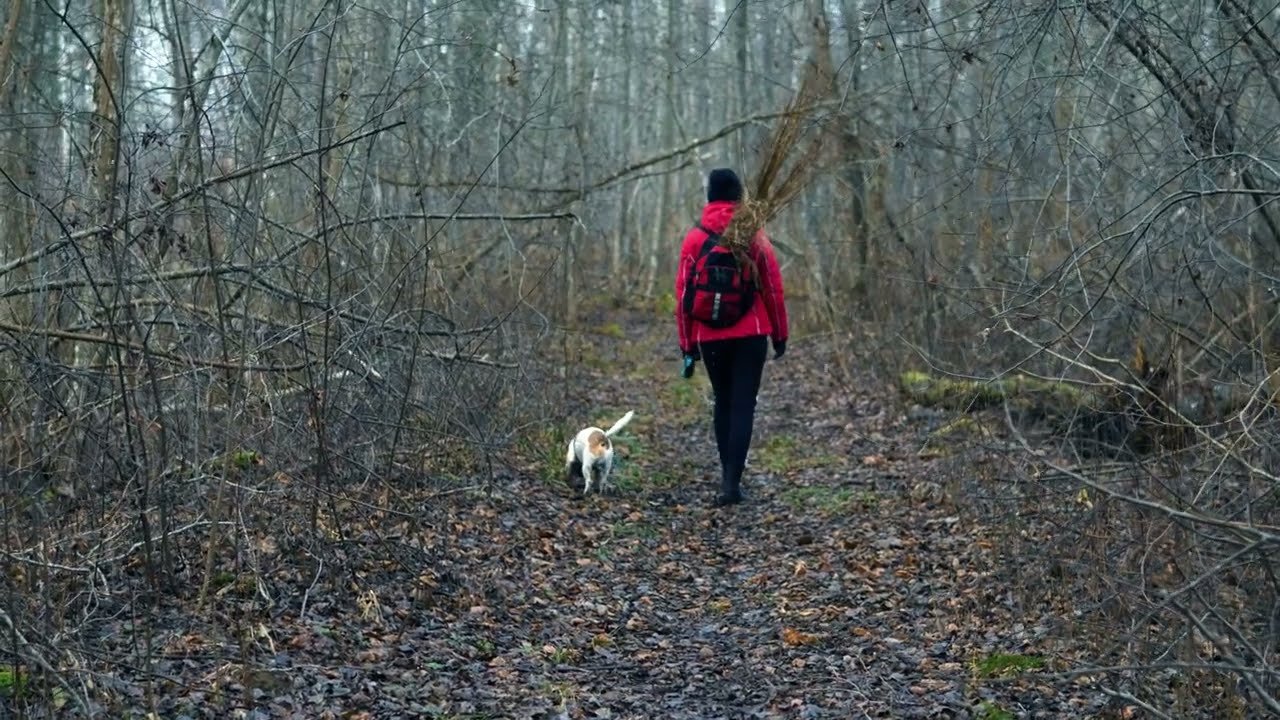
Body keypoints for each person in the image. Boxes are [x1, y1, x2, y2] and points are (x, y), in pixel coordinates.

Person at [675, 168, 789, 507]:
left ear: (709, 196)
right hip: (751, 334)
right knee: (743, 406)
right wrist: (780, 334)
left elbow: (683, 296)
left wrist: (687, 346)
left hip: (710, 338)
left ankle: (727, 478)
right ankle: (731, 484)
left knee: (722, 402)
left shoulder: (694, 239)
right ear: (740, 197)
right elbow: (772, 286)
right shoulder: (752, 233)